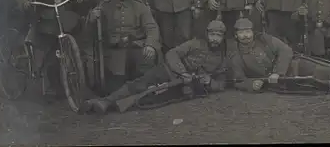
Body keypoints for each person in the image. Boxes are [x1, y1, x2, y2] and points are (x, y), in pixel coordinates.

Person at [82, 19, 229, 114]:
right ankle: (105, 101)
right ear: (207, 34)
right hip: (168, 71)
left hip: (184, 87)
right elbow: (172, 54)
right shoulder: (194, 43)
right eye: (212, 34)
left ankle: (107, 105)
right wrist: (182, 72)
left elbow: (221, 83)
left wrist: (210, 82)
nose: (215, 39)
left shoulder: (221, 58)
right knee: (140, 85)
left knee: (151, 99)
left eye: (219, 36)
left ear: (223, 38)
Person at [228, 18, 330, 99]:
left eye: (248, 31)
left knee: (327, 71)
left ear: (253, 32)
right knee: (317, 84)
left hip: (293, 66)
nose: (245, 36)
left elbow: (285, 51)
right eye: (241, 33)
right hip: (279, 84)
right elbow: (238, 80)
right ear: (236, 36)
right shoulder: (236, 57)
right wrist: (251, 85)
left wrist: (278, 72)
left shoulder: (265, 39)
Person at [84, 0, 161, 94]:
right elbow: (90, 33)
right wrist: (92, 19)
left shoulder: (139, 6)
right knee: (115, 88)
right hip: (114, 52)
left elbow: (151, 27)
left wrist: (150, 44)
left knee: (144, 76)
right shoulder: (104, 7)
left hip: (136, 47)